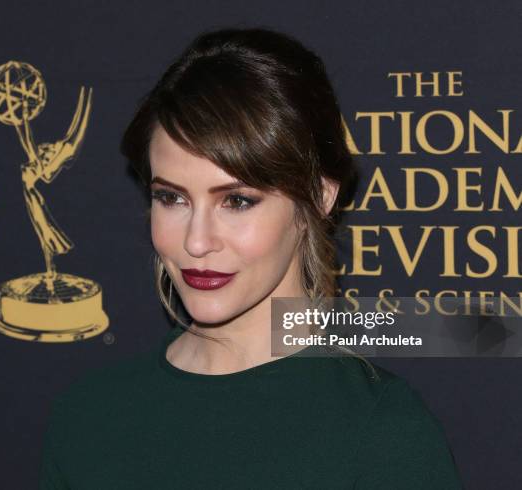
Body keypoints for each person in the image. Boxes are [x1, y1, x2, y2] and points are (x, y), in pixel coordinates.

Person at [38, 27, 463, 489]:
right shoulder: (87, 419)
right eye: (172, 199)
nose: (197, 242)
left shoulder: (383, 433)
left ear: (318, 198)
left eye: (237, 200)